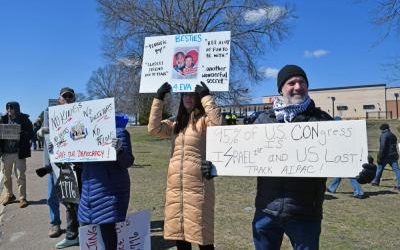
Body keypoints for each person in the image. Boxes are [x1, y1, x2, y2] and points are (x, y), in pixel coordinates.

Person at [202, 65, 376, 250]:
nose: (298, 86)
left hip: (305, 214)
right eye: (291, 83)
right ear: (281, 89)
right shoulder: (262, 121)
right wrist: (215, 166)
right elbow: (238, 152)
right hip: (266, 210)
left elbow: (346, 156)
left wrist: (362, 171)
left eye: (302, 82)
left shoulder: (324, 121)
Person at [148, 81, 221, 250]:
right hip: (175, 189)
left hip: (198, 186)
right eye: (185, 95)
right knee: (180, 238)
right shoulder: (175, 123)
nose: (188, 98)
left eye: (192, 94)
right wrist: (159, 98)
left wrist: (206, 96)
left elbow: (219, 126)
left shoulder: (204, 121)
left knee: (203, 237)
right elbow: (153, 129)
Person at [78, 113, 134, 249]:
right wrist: (57, 151)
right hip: (88, 189)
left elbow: (127, 162)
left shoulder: (119, 133)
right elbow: (79, 163)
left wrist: (120, 150)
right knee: (88, 230)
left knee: (107, 229)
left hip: (109, 190)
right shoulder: (85, 134)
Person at [35, 87, 81, 248]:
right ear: (59, 99)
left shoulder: (80, 113)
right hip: (53, 163)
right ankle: (55, 223)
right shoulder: (49, 114)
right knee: (51, 196)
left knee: (72, 199)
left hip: (73, 164)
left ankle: (78, 229)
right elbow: (40, 134)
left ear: (74, 98)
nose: (67, 98)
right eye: (64, 96)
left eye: (70, 96)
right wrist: (41, 132)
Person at [0, 101, 33, 208]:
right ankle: (9, 195)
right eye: (8, 108)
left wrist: (22, 133)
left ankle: (22, 198)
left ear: (17, 108)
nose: (9, 110)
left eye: (11, 108)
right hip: (6, 152)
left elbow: (31, 134)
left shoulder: (24, 119)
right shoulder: (3, 119)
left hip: (19, 152)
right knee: (6, 176)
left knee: (20, 176)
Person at [371, 123, 400, 189]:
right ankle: (399, 184)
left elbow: (383, 147)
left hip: (385, 156)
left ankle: (375, 181)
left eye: (381, 129)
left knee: (379, 168)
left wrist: (380, 156)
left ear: (383, 129)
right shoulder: (393, 135)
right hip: (393, 155)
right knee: (397, 170)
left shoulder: (383, 135)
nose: (380, 131)